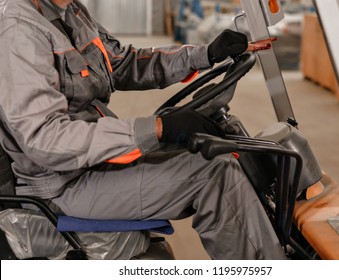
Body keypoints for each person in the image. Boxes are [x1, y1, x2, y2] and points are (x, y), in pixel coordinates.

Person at [0, 0, 286, 259]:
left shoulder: (71, 12)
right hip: (63, 183)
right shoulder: (19, 29)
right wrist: (157, 129)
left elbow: (124, 63)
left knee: (215, 144)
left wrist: (205, 54)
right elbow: (45, 139)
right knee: (215, 175)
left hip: (92, 160)